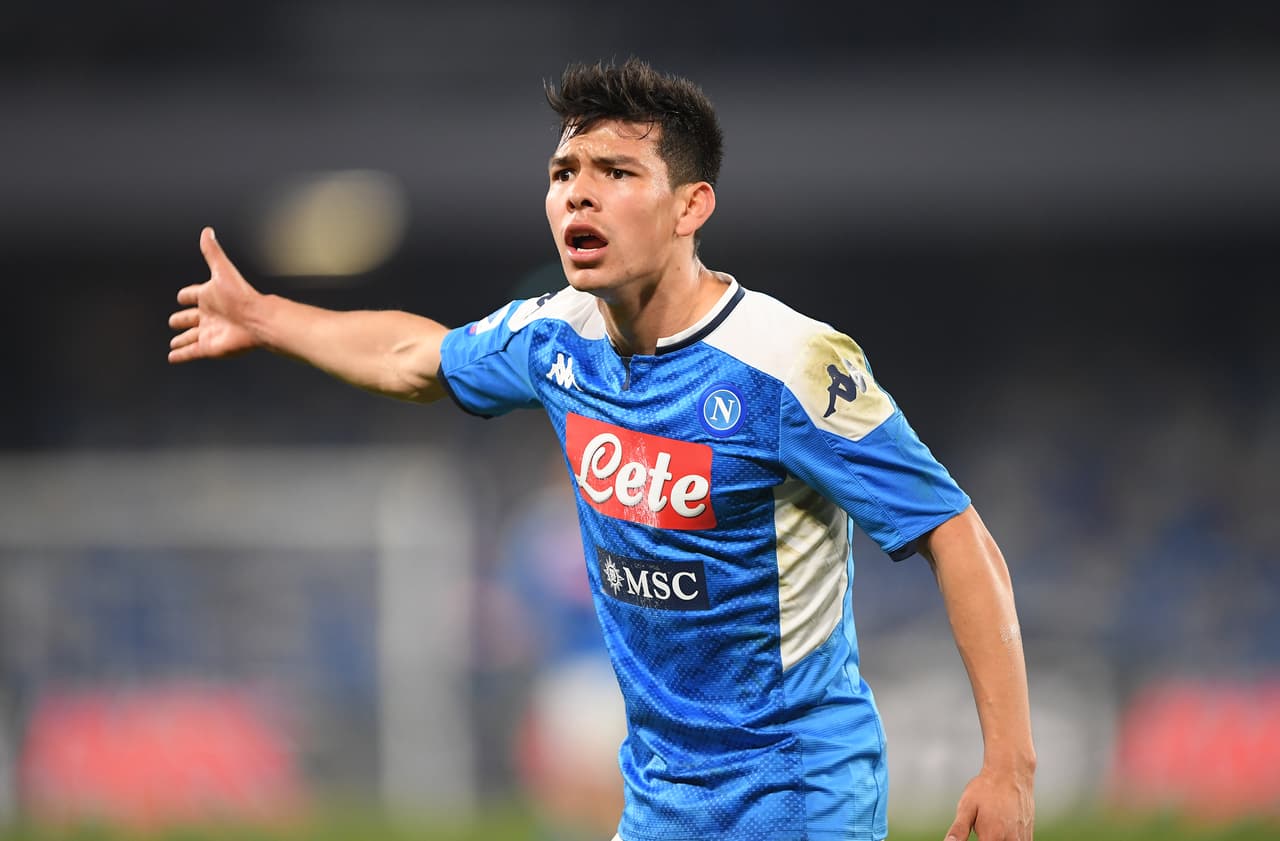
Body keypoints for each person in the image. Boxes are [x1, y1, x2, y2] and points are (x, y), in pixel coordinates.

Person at [168, 58, 1035, 841]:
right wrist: (264, 317)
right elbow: (411, 357)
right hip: (660, 799)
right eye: (563, 174)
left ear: (691, 205)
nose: (578, 195)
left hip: (795, 795)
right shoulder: (559, 338)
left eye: (616, 173)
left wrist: (1009, 768)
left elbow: (955, 534)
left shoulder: (792, 366)